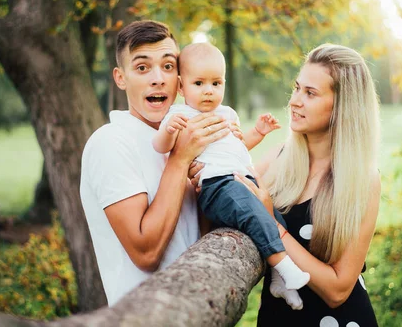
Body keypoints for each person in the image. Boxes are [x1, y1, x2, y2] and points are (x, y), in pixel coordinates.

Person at [79, 21, 231, 306]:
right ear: (120, 78)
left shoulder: (181, 139)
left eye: (168, 66)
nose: (158, 79)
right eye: (142, 68)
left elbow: (197, 237)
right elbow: (146, 253)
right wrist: (180, 161)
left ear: (181, 79)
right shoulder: (110, 143)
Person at [152, 42, 311, 309]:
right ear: (181, 87)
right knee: (252, 214)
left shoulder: (227, 113)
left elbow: (235, 148)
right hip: (216, 185)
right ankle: (284, 264)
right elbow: (161, 147)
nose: (208, 91)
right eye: (199, 83)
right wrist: (168, 131)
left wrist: (257, 133)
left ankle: (277, 280)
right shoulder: (179, 115)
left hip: (242, 179)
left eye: (216, 83)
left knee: (275, 217)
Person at [235, 43, 381, 325]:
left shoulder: (362, 180)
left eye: (310, 93)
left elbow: (338, 290)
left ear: (343, 105)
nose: (294, 101)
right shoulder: (279, 158)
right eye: (297, 88)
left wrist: (273, 225)